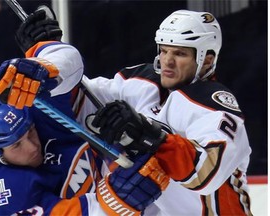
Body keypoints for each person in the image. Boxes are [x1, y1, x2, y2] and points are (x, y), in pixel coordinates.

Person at [0, 8, 170, 215]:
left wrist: (43, 63)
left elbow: (70, 63)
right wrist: (117, 201)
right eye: (17, 145)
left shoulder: (33, 108)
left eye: (30, 132)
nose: (32, 146)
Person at [73, 10, 253, 215]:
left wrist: (147, 135)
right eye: (164, 50)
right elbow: (80, 94)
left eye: (179, 53)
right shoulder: (139, 82)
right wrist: (51, 52)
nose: (167, 61)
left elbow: (206, 173)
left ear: (207, 60)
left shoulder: (215, 105)